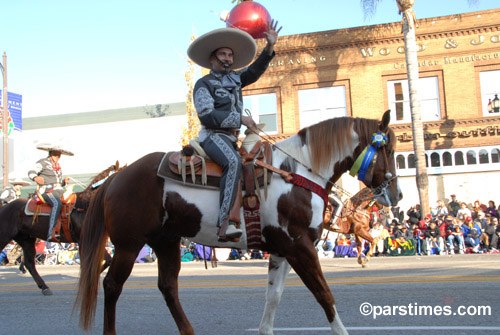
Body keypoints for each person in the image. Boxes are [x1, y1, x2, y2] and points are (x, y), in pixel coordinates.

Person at [188, 21, 281, 240]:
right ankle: (225, 224)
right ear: (212, 59)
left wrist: (269, 48)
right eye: (223, 54)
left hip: (232, 138)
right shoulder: (204, 84)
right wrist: (240, 118)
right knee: (233, 162)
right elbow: (206, 115)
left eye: (230, 55)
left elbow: (255, 71)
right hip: (212, 136)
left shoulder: (235, 79)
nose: (228, 58)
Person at [28, 144, 72, 242]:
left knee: (72, 203)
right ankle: (51, 232)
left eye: (59, 155)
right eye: (56, 155)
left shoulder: (58, 167)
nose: (58, 157)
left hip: (60, 190)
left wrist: (64, 182)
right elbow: (31, 172)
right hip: (47, 191)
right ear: (51, 154)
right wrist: (36, 178)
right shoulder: (42, 162)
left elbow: (58, 183)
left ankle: (66, 229)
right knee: (57, 203)